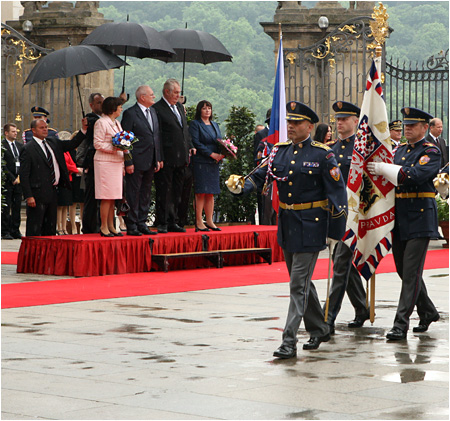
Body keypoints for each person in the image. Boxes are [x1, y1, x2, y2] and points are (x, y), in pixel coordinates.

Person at [226, 101, 348, 358]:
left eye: (296, 123)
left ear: (309, 126)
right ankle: (320, 328)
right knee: (302, 282)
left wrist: (336, 231)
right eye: (289, 122)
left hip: (312, 224)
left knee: (297, 285)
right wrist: (241, 187)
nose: (290, 127)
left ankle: (288, 340)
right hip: (288, 223)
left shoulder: (323, 155)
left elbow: (338, 194)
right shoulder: (278, 151)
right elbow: (260, 176)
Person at [367, 107, 441, 340]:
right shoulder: (398, 151)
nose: (406, 129)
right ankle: (428, 311)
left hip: (420, 217)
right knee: (403, 269)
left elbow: (413, 176)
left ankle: (401, 324)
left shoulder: (432, 151)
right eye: (405, 126)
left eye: (412, 125)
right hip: (399, 219)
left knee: (410, 272)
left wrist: (384, 168)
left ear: (424, 128)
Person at [325, 101, 369, 333]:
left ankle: (328, 318)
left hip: (357, 215)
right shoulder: (330, 149)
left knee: (340, 264)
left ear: (356, 122)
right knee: (343, 264)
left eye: (344, 119)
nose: (339, 122)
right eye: (337, 119)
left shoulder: (362, 149)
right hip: (337, 215)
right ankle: (361, 307)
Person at [20, 119, 87, 237]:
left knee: (50, 227)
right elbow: (24, 174)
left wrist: (83, 130)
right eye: (41, 128)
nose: (45, 129)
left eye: (46, 127)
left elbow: (72, 144)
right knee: (35, 228)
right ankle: (33, 253)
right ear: (33, 130)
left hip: (53, 191)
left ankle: (48, 253)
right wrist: (29, 196)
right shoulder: (28, 148)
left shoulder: (53, 142)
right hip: (37, 193)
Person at [153, 78, 195, 233]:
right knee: (164, 191)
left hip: (181, 157)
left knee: (178, 191)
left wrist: (189, 146)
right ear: (166, 92)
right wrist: (159, 157)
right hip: (166, 157)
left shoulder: (179, 107)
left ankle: (174, 220)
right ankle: (162, 221)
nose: (178, 95)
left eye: (179, 92)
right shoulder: (157, 108)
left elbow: (184, 130)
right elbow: (156, 135)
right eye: (176, 92)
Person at [121, 85, 162, 236]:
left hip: (150, 159)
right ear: (142, 97)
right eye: (151, 95)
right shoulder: (130, 114)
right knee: (133, 192)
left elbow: (155, 137)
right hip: (136, 160)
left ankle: (142, 222)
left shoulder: (153, 112)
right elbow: (125, 140)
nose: (154, 97)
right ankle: (131, 224)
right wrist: (128, 161)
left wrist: (158, 158)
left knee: (145, 192)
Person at [189, 100, 224, 231]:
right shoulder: (195, 124)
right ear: (199, 111)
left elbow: (220, 141)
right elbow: (196, 142)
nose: (207, 110)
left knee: (211, 192)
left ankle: (209, 220)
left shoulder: (215, 124)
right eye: (204, 108)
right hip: (201, 161)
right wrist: (211, 154)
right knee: (201, 192)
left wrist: (223, 153)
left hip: (213, 163)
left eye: (209, 108)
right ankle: (199, 221)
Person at [93, 96, 125, 237]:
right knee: (106, 196)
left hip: (116, 162)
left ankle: (112, 225)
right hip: (105, 162)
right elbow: (98, 143)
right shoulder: (101, 122)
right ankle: (104, 225)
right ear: (113, 108)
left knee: (113, 196)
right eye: (119, 106)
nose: (121, 109)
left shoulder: (117, 123)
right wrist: (115, 147)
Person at [78, 93, 104, 234]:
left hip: (105, 165)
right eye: (99, 102)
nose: (102, 105)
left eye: (103, 102)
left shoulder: (104, 119)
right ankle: (90, 227)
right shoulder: (91, 119)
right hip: (93, 163)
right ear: (91, 105)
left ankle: (103, 224)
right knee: (91, 198)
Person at [1, 123, 24, 239]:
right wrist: (11, 177)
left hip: (18, 181)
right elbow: (3, 165)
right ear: (6, 133)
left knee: (17, 206)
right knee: (6, 207)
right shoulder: (2, 146)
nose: (15, 133)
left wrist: (19, 177)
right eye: (13, 131)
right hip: (7, 181)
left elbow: (23, 161)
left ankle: (15, 229)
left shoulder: (20, 146)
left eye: (16, 131)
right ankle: (5, 230)